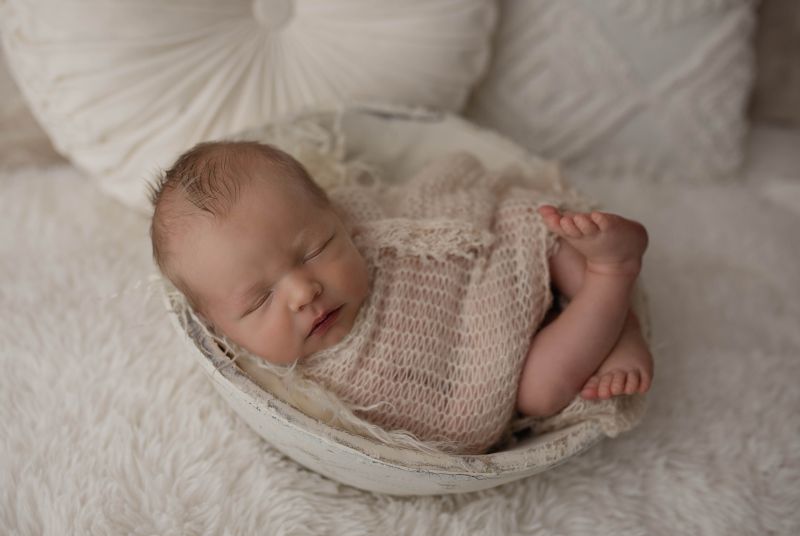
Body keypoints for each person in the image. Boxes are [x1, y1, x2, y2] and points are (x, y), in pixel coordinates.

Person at [150, 140, 653, 453]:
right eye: (260, 300)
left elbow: (420, 209)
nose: (304, 291)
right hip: (510, 367)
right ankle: (611, 283)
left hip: (498, 264)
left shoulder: (364, 223)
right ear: (219, 331)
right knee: (538, 392)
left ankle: (609, 297)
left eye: (316, 248)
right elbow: (443, 422)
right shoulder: (293, 390)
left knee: (537, 229)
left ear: (338, 216)